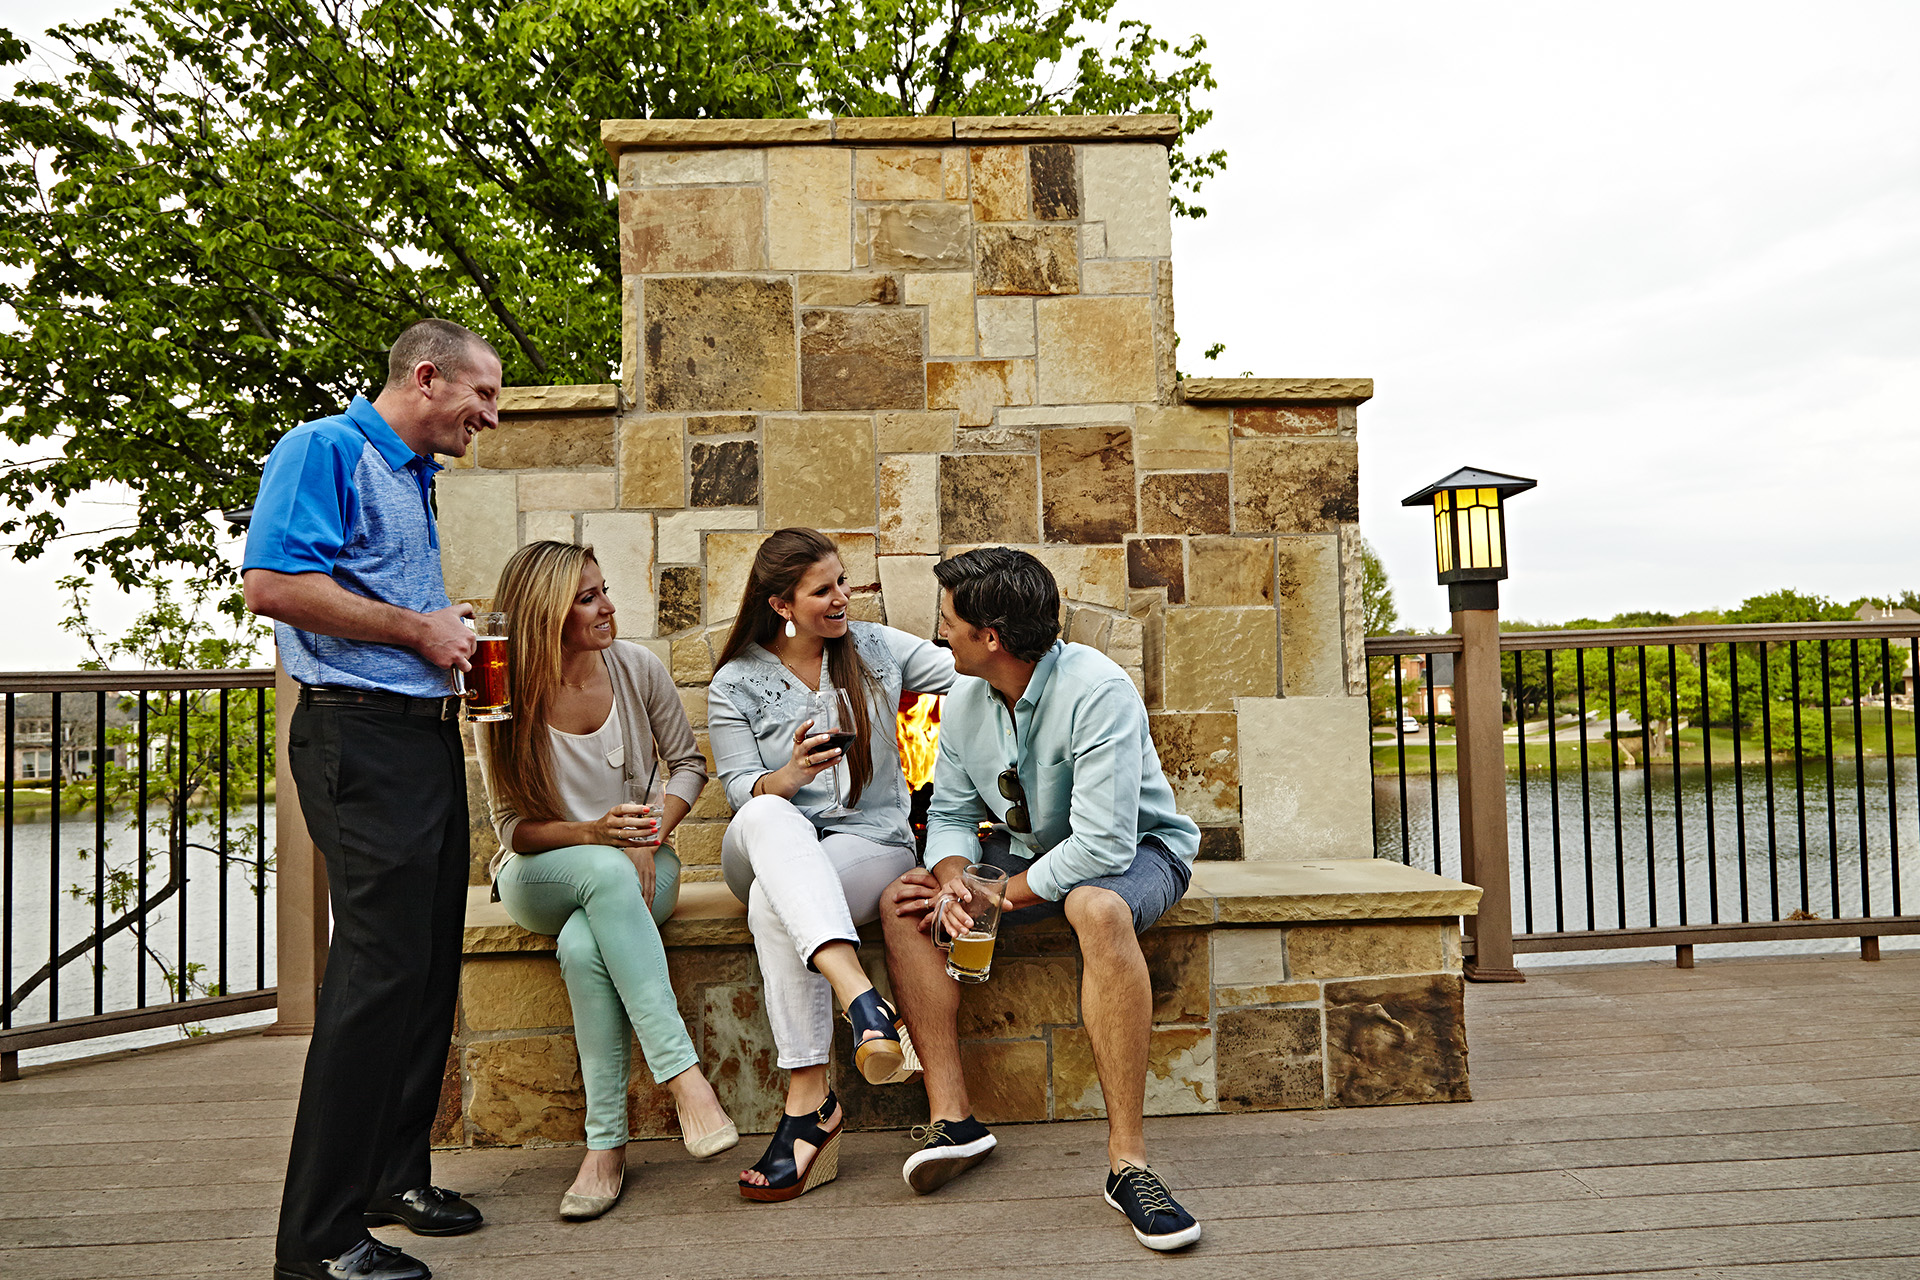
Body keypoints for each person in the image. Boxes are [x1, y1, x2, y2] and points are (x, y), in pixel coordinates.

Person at [245, 319, 499, 1280]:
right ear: (426, 378)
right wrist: (415, 633)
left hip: (421, 739)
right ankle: (316, 1242)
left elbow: (391, 612)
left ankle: (394, 1176)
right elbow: (272, 584)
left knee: (427, 967)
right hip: (359, 739)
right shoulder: (326, 449)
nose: (490, 418)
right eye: (482, 397)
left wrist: (445, 636)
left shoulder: (414, 476)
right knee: (374, 979)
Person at [879, 547, 1205, 1253]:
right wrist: (954, 878)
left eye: (948, 624)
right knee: (903, 898)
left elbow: (1104, 850)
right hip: (1029, 853)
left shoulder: (1099, 690)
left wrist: (999, 898)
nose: (941, 636)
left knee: (1096, 906)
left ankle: (1128, 1166)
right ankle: (955, 1120)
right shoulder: (964, 699)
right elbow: (953, 816)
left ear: (989, 637)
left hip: (1142, 850)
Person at [474, 540, 738, 1222]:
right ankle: (684, 1079)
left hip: (645, 862)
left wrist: (650, 832)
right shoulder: (502, 691)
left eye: (604, 590)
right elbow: (511, 829)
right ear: (547, 613)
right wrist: (595, 834)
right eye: (588, 597)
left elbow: (687, 766)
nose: (608, 607)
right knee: (598, 869)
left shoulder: (635, 670)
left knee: (586, 948)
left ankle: (604, 1149)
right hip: (541, 872)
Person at [707, 527, 955, 1202]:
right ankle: (862, 998)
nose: (843, 597)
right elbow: (739, 793)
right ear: (782, 604)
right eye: (825, 589)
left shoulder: (874, 647)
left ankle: (809, 1108)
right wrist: (787, 774)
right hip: (762, 842)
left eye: (844, 581)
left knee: (772, 908)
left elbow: (972, 674)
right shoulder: (736, 682)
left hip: (868, 843)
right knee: (765, 815)